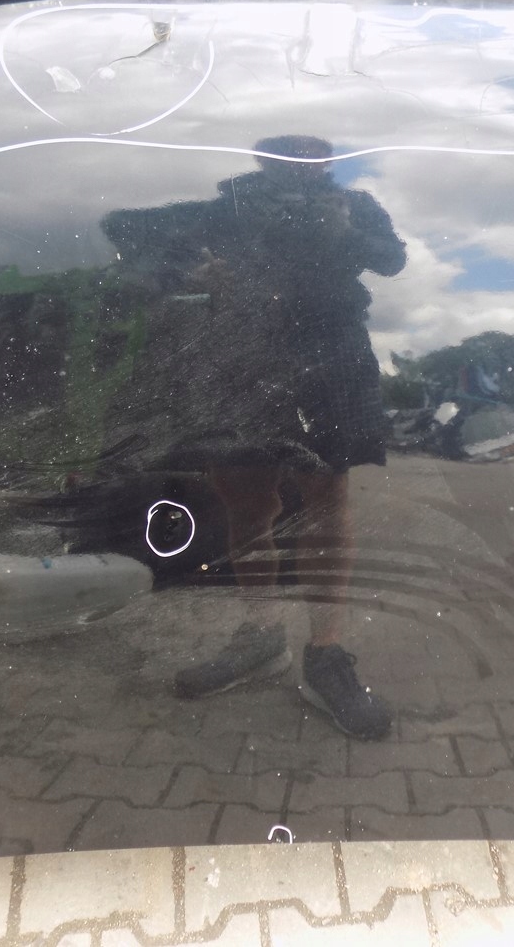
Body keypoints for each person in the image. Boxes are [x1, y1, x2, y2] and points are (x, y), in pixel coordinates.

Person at [104, 135, 406, 739]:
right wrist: (196, 276)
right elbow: (160, 265)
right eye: (284, 149)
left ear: (326, 158)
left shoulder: (354, 204)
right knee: (244, 499)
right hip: (239, 352)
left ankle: (325, 652)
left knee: (326, 500)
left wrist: (345, 232)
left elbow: (392, 261)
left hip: (327, 348)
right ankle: (261, 636)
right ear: (263, 157)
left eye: (310, 150)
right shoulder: (227, 209)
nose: (299, 159)